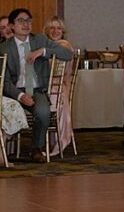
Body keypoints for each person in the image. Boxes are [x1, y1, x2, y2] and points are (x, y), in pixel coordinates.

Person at [0, 9, 73, 162]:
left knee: (43, 111)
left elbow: (67, 55)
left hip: (37, 90)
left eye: (28, 20)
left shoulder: (39, 40)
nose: (26, 24)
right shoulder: (4, 48)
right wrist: (20, 95)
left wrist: (43, 51)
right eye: (21, 21)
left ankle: (36, 149)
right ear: (12, 26)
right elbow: (4, 80)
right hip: (15, 92)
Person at [44, 16, 75, 154]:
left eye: (58, 28)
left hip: (57, 87)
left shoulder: (64, 46)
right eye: (52, 28)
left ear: (63, 31)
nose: (55, 31)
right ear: (47, 30)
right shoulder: (46, 45)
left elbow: (55, 70)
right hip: (48, 85)